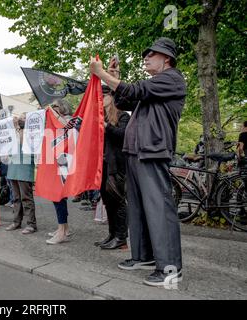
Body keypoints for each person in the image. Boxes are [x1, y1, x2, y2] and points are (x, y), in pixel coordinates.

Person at [90, 37, 186, 286]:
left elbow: (134, 90)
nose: (146, 57)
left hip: (152, 151)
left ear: (166, 58)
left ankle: (170, 268)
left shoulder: (173, 78)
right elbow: (124, 100)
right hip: (135, 152)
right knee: (138, 208)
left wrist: (102, 75)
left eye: (151, 54)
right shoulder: (156, 84)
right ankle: (143, 256)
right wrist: (114, 78)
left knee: (159, 210)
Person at [94, 84, 130, 249]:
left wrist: (107, 127)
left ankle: (121, 238)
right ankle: (112, 234)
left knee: (118, 200)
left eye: (104, 95)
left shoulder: (123, 116)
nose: (100, 99)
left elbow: (124, 135)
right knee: (107, 201)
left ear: (111, 97)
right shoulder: (101, 117)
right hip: (102, 165)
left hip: (117, 165)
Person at [46, 99, 74, 245]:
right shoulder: (55, 120)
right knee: (57, 196)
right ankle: (64, 228)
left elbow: (64, 126)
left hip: (65, 160)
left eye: (54, 106)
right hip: (57, 159)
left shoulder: (69, 120)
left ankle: (62, 231)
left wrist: (51, 112)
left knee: (58, 196)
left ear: (62, 107)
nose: (51, 108)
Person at [5, 114, 38, 234]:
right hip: (13, 169)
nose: (19, 119)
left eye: (23, 118)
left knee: (26, 198)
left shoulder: (31, 133)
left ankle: (31, 224)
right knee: (16, 198)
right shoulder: (13, 133)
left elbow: (29, 147)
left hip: (24, 168)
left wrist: (21, 129)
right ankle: (16, 221)